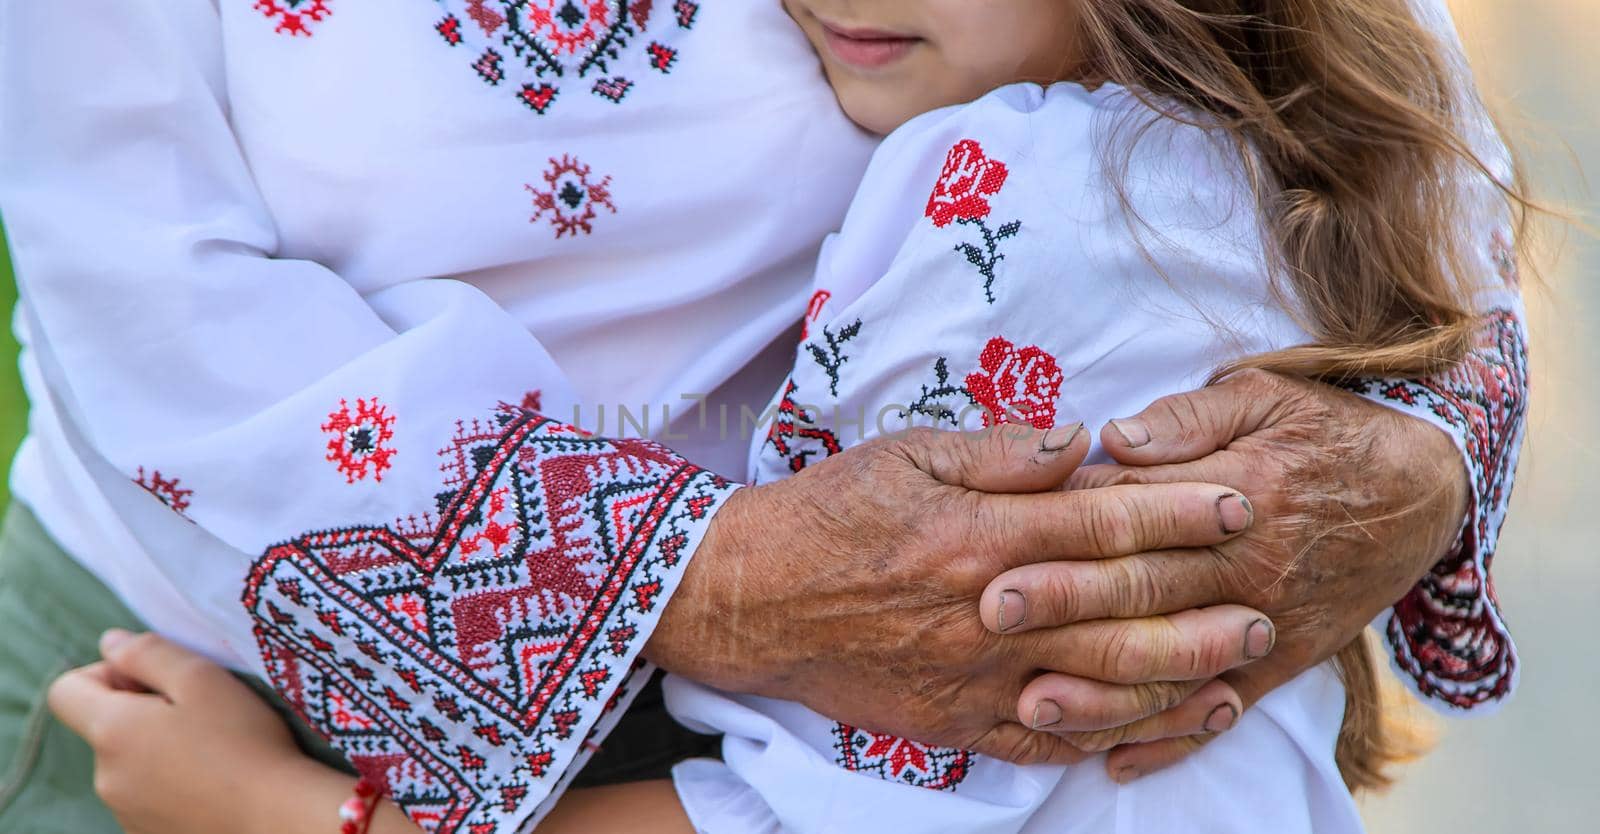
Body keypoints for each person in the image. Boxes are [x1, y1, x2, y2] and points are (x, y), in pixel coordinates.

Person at [1, 1, 1524, 833]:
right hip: (191, 673)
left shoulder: (1052, 256)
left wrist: (1424, 432)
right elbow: (129, 266)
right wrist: (710, 578)